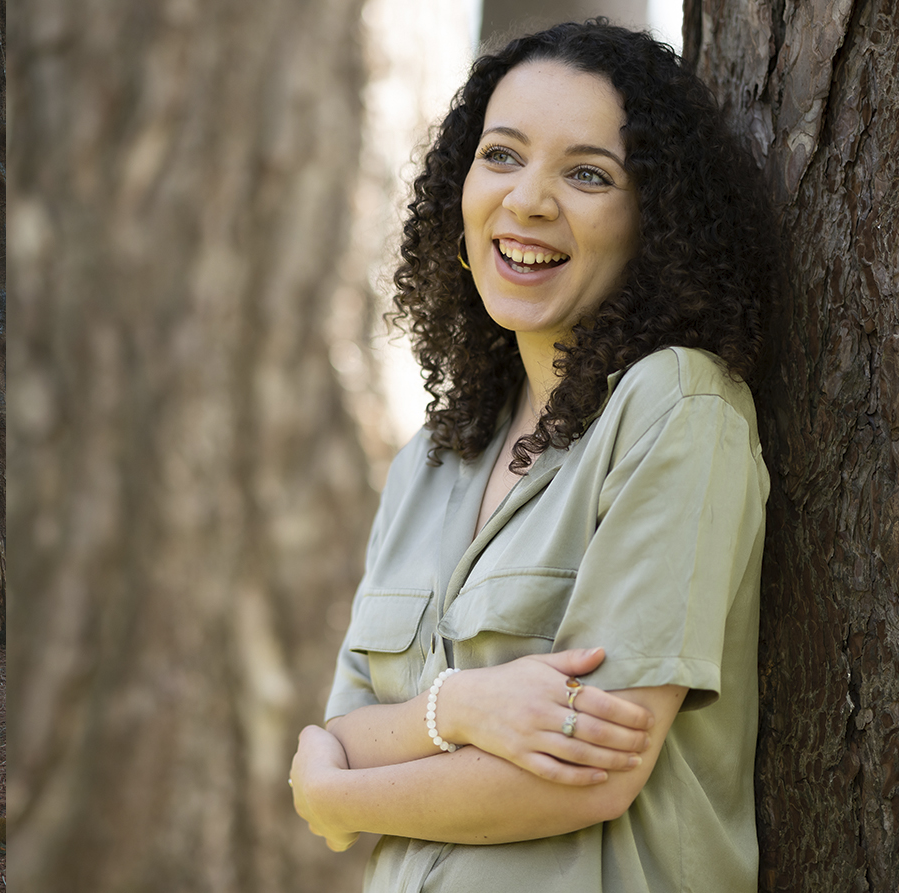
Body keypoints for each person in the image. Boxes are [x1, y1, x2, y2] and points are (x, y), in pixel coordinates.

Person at [288, 21, 780, 893]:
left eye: (588, 174)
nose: (528, 201)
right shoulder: (430, 462)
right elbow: (339, 731)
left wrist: (346, 790)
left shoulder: (676, 407)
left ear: (652, 219)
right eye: (502, 156)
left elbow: (592, 774)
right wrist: (460, 709)